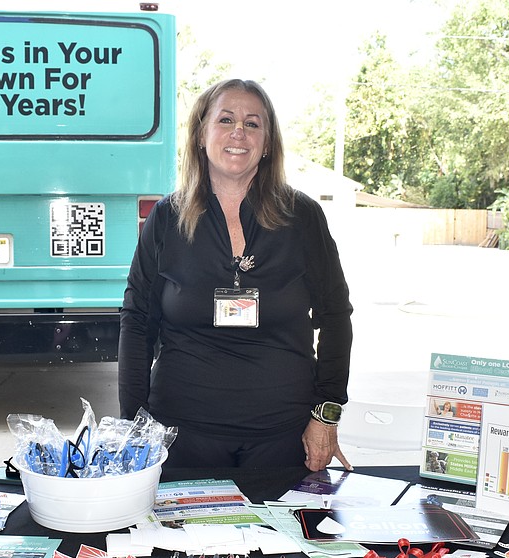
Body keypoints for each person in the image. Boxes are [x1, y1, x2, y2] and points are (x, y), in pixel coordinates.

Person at [118, 78, 353, 470]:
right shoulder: (167, 218)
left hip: (284, 436)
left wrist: (325, 414)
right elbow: (136, 322)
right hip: (180, 436)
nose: (239, 133)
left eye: (253, 123)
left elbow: (335, 317)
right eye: (225, 120)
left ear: (268, 142)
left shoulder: (303, 217)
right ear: (200, 134)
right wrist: (135, 425)